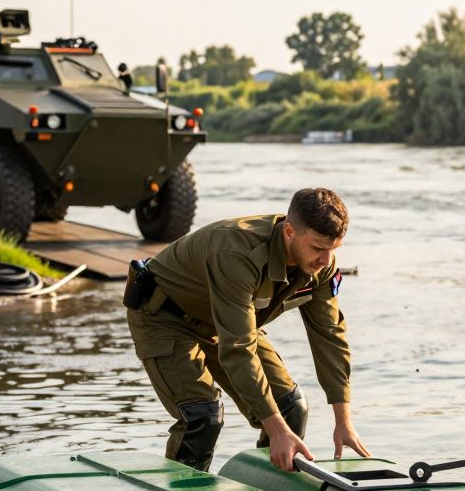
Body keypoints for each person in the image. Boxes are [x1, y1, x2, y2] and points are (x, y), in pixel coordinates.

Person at [125, 188, 369, 472]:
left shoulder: (321, 266)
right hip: (165, 316)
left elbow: (330, 337)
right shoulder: (236, 253)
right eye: (317, 248)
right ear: (289, 232)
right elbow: (238, 348)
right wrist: (274, 428)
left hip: (223, 322)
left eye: (333, 249)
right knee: (202, 417)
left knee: (290, 408)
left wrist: (343, 421)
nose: (326, 260)